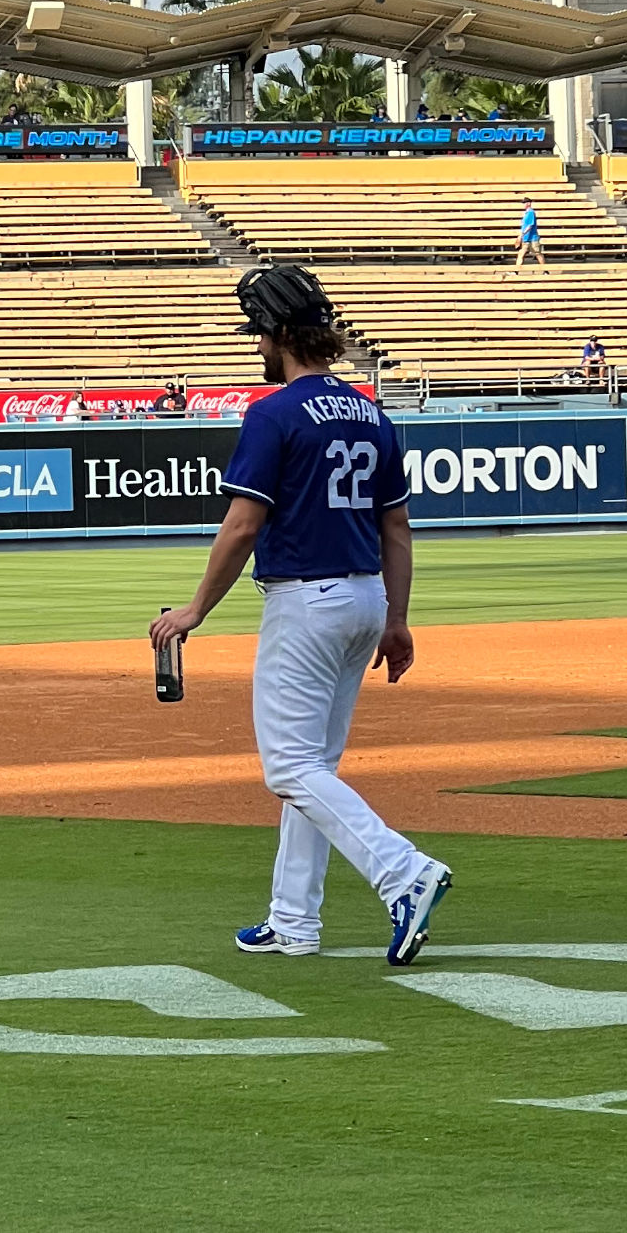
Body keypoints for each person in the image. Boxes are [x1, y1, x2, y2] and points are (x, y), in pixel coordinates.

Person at [150, 265, 450, 966]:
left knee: (289, 769)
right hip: (367, 599)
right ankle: (293, 921)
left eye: (260, 332)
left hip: (305, 602)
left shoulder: (275, 412)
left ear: (283, 334)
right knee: (314, 768)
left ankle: (404, 873)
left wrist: (195, 609)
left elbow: (242, 526)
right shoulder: (372, 412)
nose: (256, 344)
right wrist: (398, 619)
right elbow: (397, 529)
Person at [514, 197, 544, 269]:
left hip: (532, 238)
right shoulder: (526, 213)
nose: (523, 204)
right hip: (526, 238)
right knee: (521, 254)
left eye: (524, 203)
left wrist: (522, 234)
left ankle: (545, 270)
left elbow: (530, 226)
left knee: (538, 254)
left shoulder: (530, 212)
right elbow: (524, 226)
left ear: (528, 203)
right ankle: (516, 271)